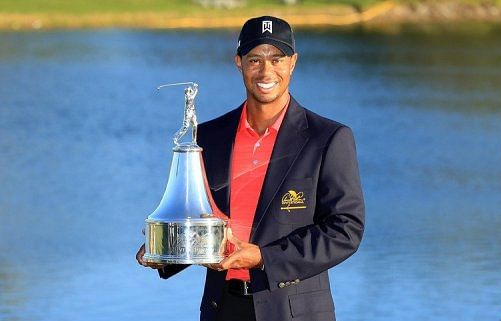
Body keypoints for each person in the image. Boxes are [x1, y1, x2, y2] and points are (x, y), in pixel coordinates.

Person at [136, 15, 365, 321]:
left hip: (293, 311)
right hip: (224, 308)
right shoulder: (209, 137)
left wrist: (262, 258)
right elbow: (199, 218)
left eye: (277, 59)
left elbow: (345, 229)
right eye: (255, 59)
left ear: (293, 62)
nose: (266, 70)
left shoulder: (327, 138)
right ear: (239, 63)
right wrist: (166, 251)